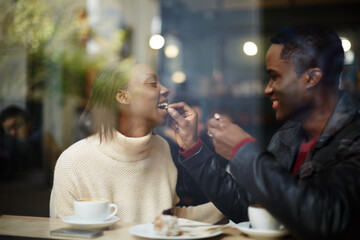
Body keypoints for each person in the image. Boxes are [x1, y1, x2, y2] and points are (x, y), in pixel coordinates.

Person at [167, 25, 360, 239]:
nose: (268, 89)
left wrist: (245, 152)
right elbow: (248, 208)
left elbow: (328, 219)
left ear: (311, 78)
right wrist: (194, 149)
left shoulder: (354, 135)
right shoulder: (288, 135)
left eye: (275, 77)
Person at [50, 60, 224, 224]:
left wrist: (238, 204)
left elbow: (169, 219)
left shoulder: (161, 148)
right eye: (153, 84)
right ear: (123, 97)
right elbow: (64, 232)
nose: (166, 90)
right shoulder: (74, 161)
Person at [158, 95, 228, 206]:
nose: (202, 127)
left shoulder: (203, 142)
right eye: (197, 122)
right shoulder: (160, 147)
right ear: (176, 121)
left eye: (201, 121)